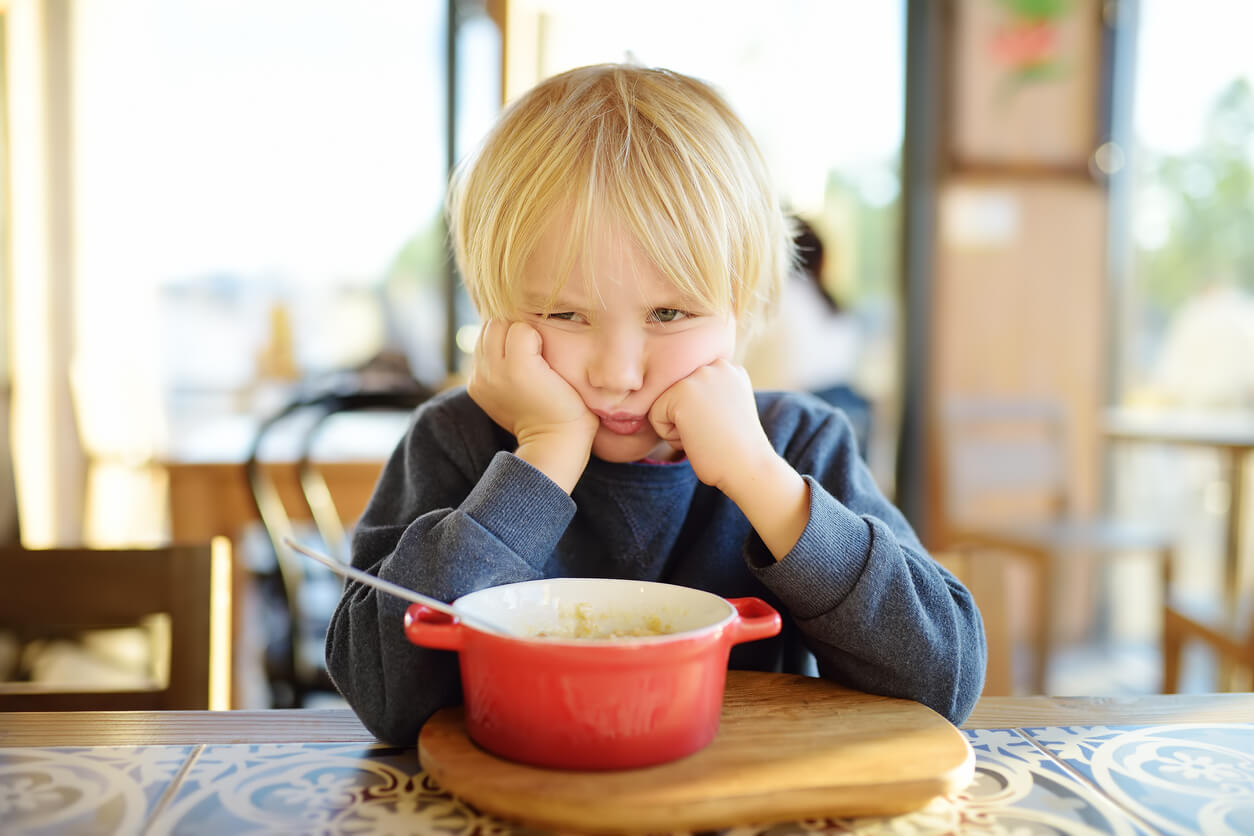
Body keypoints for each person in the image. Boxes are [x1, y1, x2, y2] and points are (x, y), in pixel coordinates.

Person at [325, 63, 986, 745]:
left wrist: (763, 482)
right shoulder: (455, 440)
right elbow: (382, 696)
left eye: (668, 313)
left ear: (741, 305)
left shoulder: (795, 444)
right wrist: (543, 458)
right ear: (498, 311)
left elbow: (944, 681)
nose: (617, 374)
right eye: (565, 313)